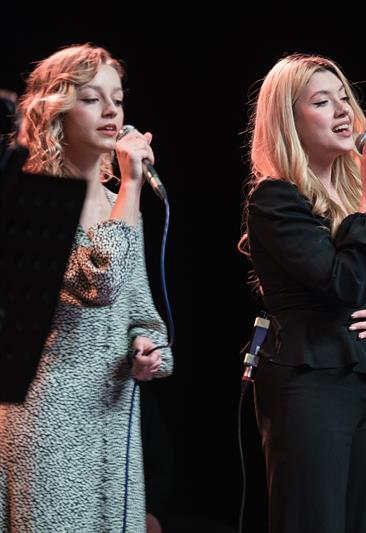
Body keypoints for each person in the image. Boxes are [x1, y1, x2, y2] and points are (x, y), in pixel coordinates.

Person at [0, 44, 172, 532]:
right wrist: (133, 186)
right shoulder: (32, 202)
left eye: (117, 99)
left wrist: (149, 349)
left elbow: (143, 315)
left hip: (114, 418)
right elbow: (99, 284)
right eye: (93, 99)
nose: (112, 111)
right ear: (56, 110)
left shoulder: (122, 207)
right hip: (48, 416)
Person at [239, 53, 366, 533]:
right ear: (289, 121)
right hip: (308, 382)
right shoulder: (276, 199)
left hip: (364, 380)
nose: (342, 111)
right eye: (321, 101)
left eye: (344, 98)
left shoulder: (349, 197)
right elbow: (343, 283)